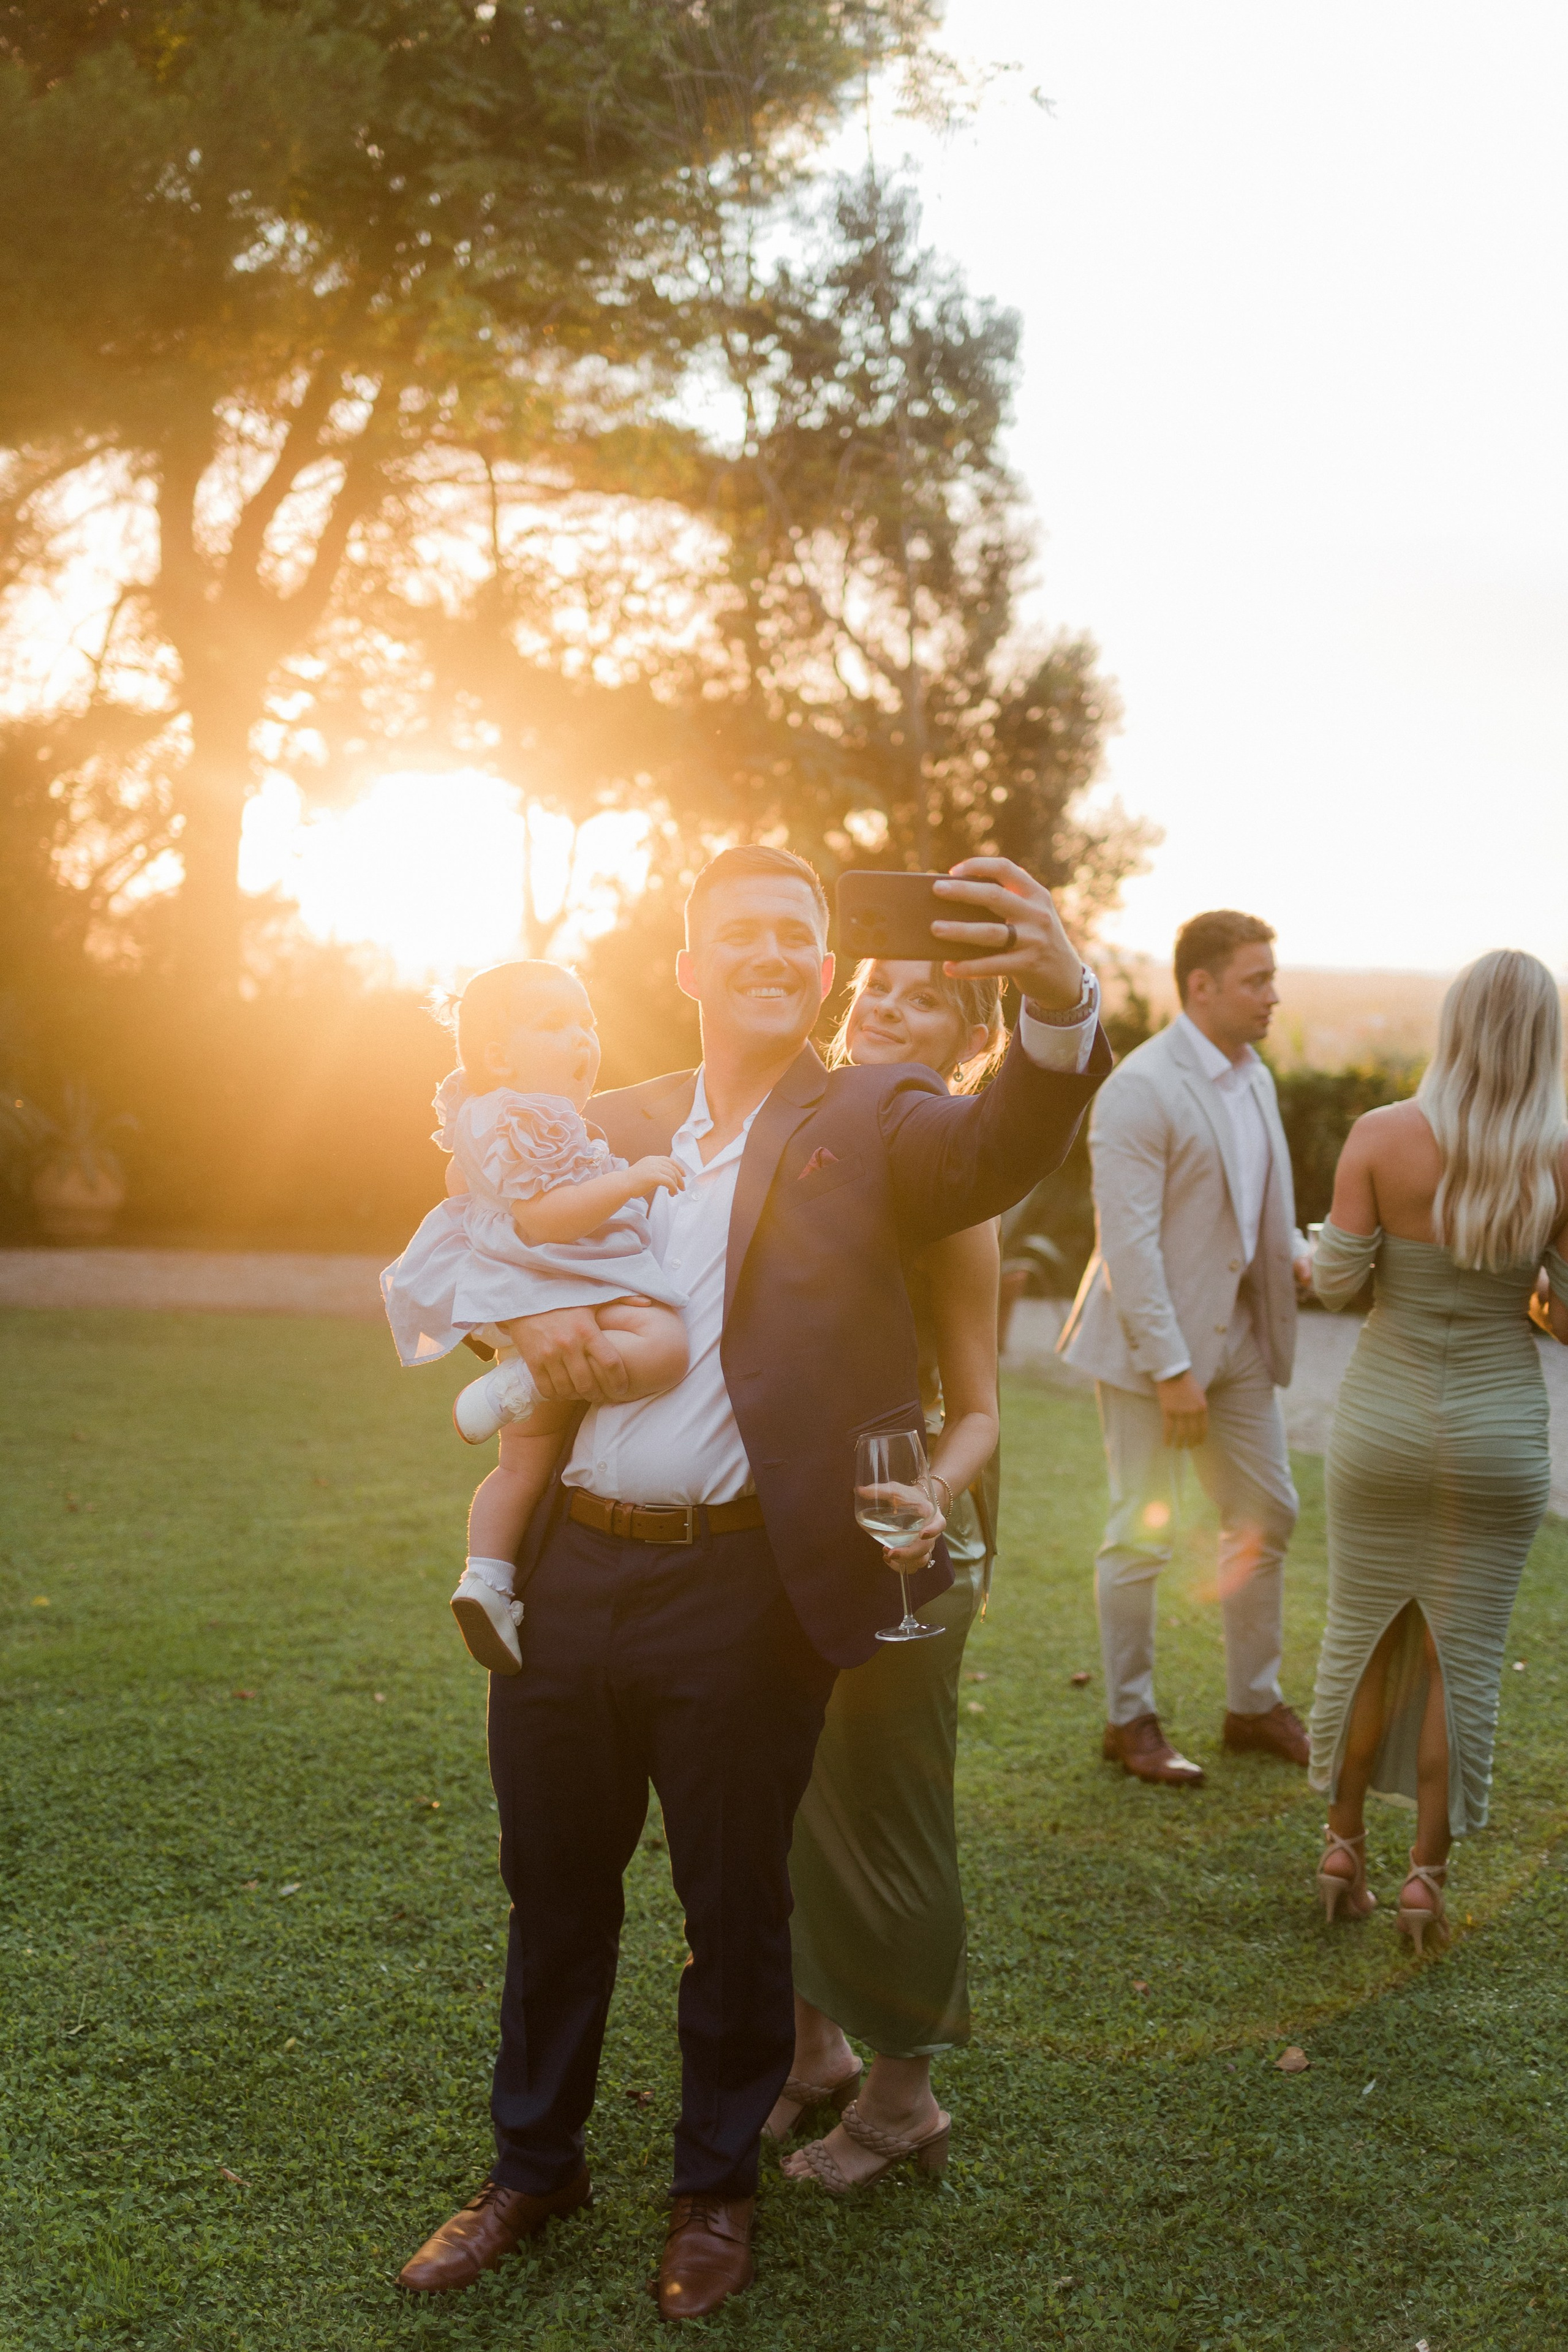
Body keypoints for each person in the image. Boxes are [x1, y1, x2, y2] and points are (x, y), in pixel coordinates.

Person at [394, 844, 1110, 2322]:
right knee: (553, 1889)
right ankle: (531, 2170)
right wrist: (508, 1337)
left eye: (797, 933)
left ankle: (713, 2194)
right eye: (743, 932)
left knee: (735, 1908)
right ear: (690, 964)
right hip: (570, 1563)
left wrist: (1058, 1002)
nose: (772, 952)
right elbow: (479, 1233)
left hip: (744, 1581)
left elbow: (999, 1150)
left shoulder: (878, 1113)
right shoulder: (609, 1119)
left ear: (824, 967)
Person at [767, 957, 1006, 2192]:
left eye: (923, 998)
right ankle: (810, 2049)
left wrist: (929, 1495)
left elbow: (978, 1408)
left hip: (907, 1524)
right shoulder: (799, 1137)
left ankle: (904, 2099)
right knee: (789, 1792)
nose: (884, 1006)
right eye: (877, 985)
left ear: (968, 1038)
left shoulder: (954, 1178)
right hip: (782, 1522)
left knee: (894, 1810)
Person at [1308, 950, 1568, 1948]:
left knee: (1362, 1637)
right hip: (1498, 1432)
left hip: (1385, 1419)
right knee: (1462, 1657)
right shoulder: (1558, 1158)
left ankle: (1341, 1848)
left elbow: (1337, 1284)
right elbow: (1565, 1318)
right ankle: (1426, 1878)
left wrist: (1339, 1247)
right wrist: (1525, 1287)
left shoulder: (1381, 1135)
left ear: (1453, 1027)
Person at [1058, 910, 1313, 1786]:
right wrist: (1170, 1371)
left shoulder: (1255, 1077)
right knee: (1141, 1533)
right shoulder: (1140, 1088)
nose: (1273, 996)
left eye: (1272, 978)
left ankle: (1253, 1706)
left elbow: (1253, 1211)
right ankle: (1128, 1721)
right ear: (1200, 986)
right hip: (1147, 1347)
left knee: (1268, 1511)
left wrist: (1299, 1258)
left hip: (1238, 1342)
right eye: (1256, 980)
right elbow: (1128, 1246)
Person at [379, 960, 689, 1674]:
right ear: (497, 1056)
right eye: (555, 1024)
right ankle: (524, 1383)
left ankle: (486, 1582)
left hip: (519, 1293)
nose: (581, 1039)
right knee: (664, 1345)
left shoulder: (487, 1115)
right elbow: (548, 1220)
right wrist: (629, 1179)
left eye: (588, 1023)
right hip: (566, 1280)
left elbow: (460, 1186)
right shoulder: (530, 1119)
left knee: (520, 1466)